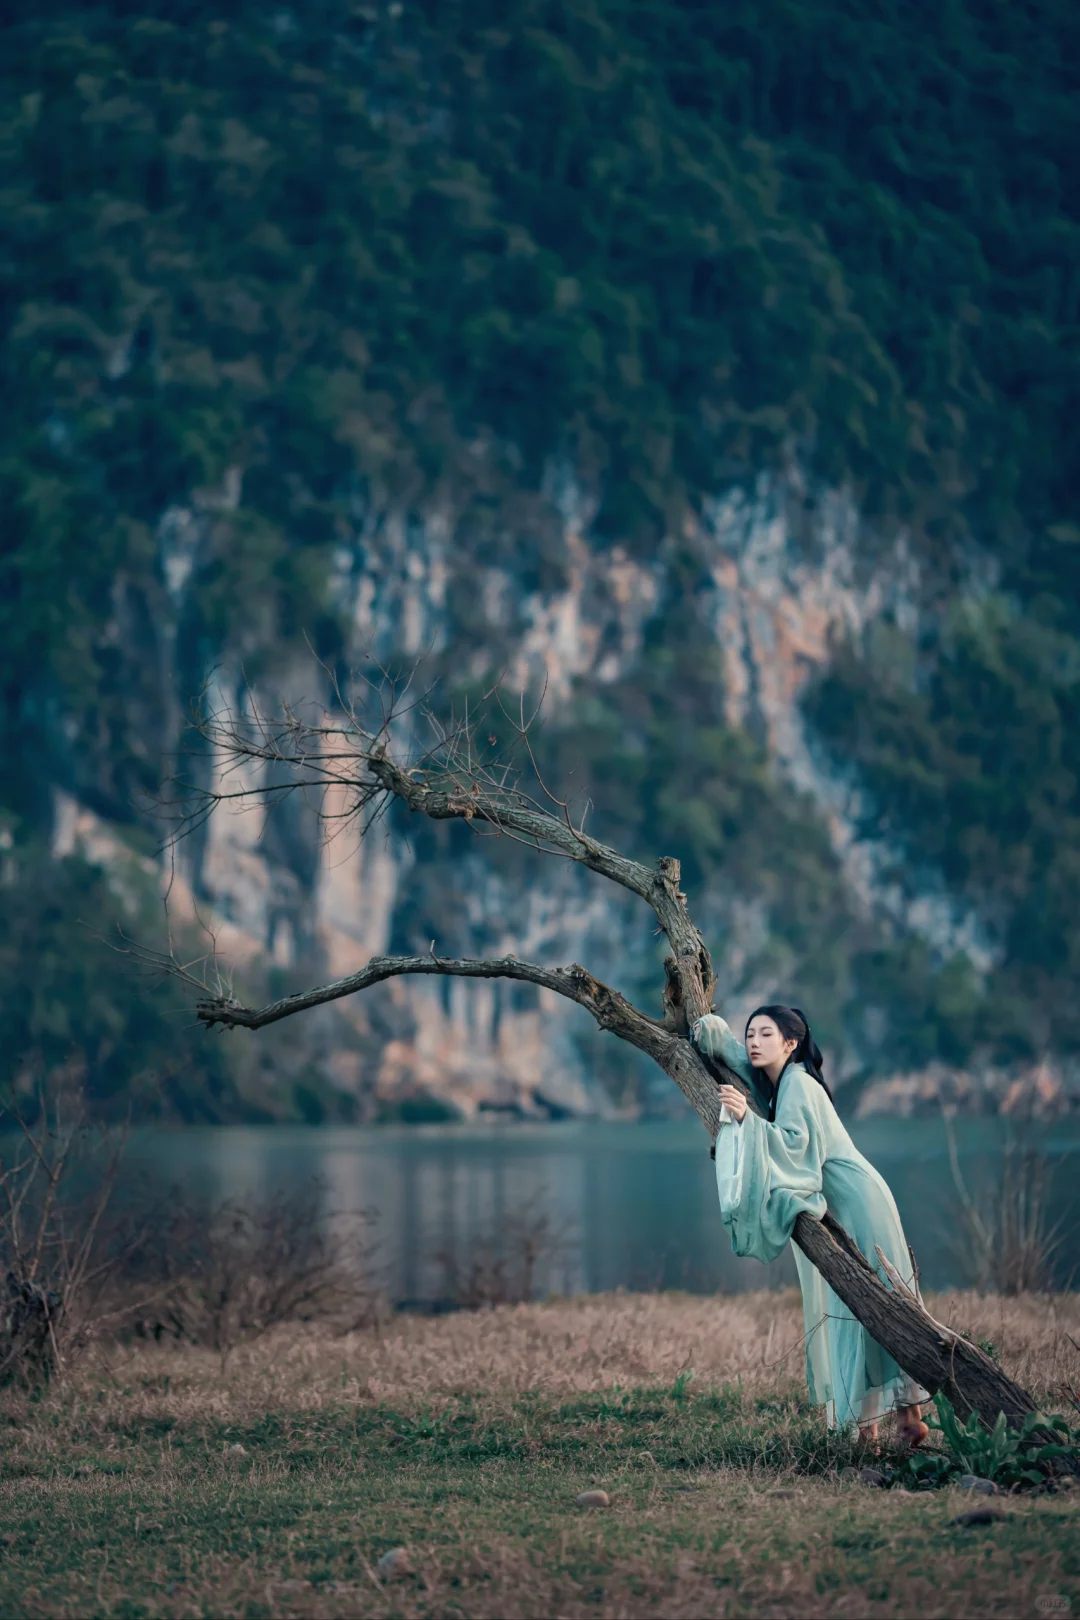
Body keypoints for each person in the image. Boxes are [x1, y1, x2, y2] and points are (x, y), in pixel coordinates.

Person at [692, 1004, 929, 1449]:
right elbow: (739, 1059)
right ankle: (897, 1421)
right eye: (750, 1033)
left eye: (766, 1034)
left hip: (856, 1200)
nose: (754, 1042)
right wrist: (711, 1033)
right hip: (847, 1198)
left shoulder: (798, 1084)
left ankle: (879, 1428)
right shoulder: (781, 1083)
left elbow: (796, 1150)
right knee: (865, 1301)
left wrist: (746, 1120)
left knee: (867, 1302)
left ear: (791, 1043)